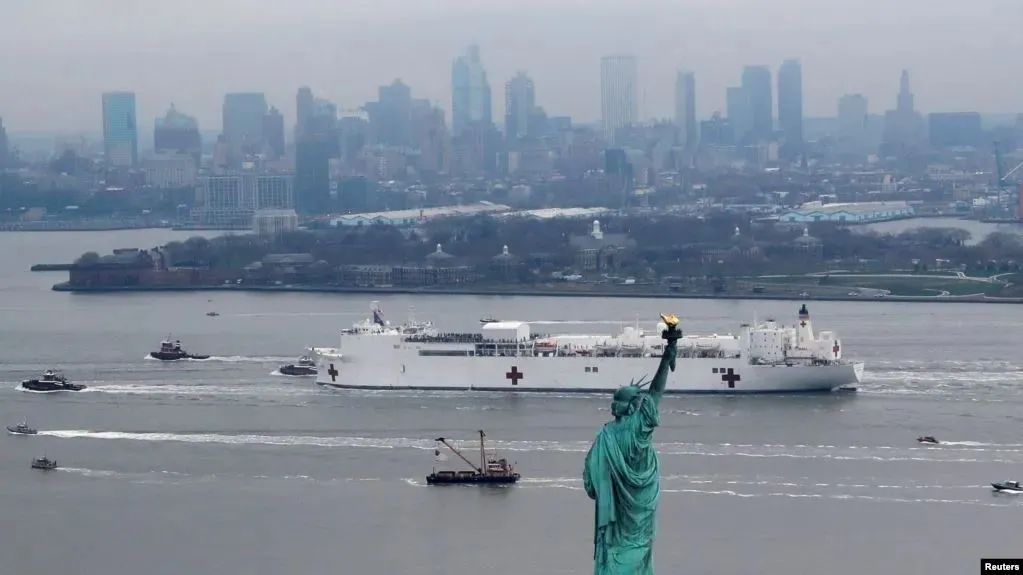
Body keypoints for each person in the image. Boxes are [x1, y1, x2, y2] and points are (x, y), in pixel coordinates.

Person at [583, 314, 679, 575]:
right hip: (642, 508)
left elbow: (591, 486)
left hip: (615, 521)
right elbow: (656, 392)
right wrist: (668, 354)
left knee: (615, 553)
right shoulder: (639, 429)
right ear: (635, 406)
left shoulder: (603, 439)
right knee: (641, 550)